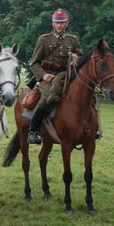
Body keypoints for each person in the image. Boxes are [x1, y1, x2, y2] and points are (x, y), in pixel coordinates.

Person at [27, 8, 82, 144]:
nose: (59, 25)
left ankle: (90, 128)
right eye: (57, 23)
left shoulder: (73, 40)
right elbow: (33, 63)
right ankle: (32, 132)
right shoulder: (44, 39)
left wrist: (76, 57)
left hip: (66, 75)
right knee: (46, 99)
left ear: (66, 24)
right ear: (53, 24)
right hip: (48, 76)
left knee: (85, 95)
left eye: (62, 23)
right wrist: (43, 76)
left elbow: (80, 57)